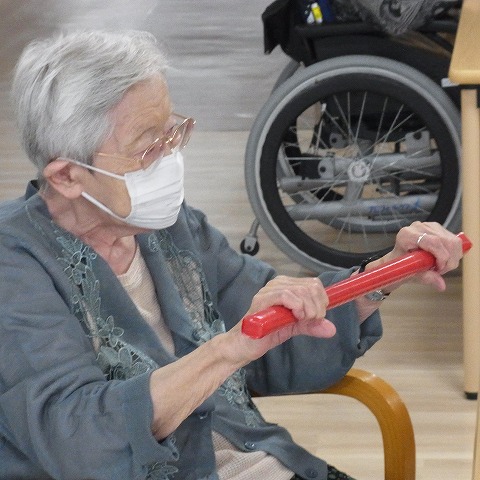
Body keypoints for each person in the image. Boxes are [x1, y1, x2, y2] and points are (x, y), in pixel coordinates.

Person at [0, 30, 463, 480]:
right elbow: (79, 439)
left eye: (172, 133)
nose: (170, 158)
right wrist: (227, 350)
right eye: (147, 149)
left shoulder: (168, 228)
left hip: (247, 459)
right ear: (66, 177)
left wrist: (384, 273)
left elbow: (277, 337)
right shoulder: (15, 266)